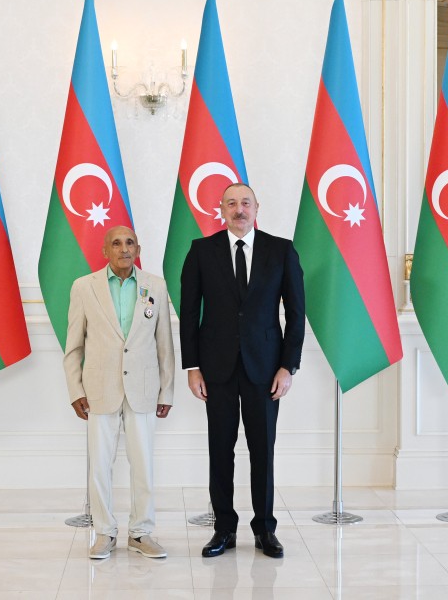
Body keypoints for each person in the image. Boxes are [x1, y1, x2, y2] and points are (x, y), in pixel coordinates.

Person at [180, 184, 305, 559]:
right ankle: (223, 529)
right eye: (231, 203)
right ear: (221, 210)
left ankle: (265, 529)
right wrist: (192, 366)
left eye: (245, 203)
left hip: (265, 369)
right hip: (215, 369)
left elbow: (296, 313)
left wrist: (288, 365)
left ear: (257, 208)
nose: (239, 209)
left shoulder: (281, 250)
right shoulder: (201, 251)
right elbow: (189, 314)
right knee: (220, 450)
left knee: (262, 450)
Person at [63, 226, 175, 559]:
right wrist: (75, 389)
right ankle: (104, 532)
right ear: (105, 250)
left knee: (143, 464)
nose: (123, 249)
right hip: (99, 389)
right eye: (116, 243)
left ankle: (141, 532)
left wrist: (166, 391)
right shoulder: (84, 287)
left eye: (129, 243)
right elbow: (74, 345)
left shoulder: (155, 286)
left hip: (142, 389)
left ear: (137, 248)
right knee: (99, 465)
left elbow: (165, 345)